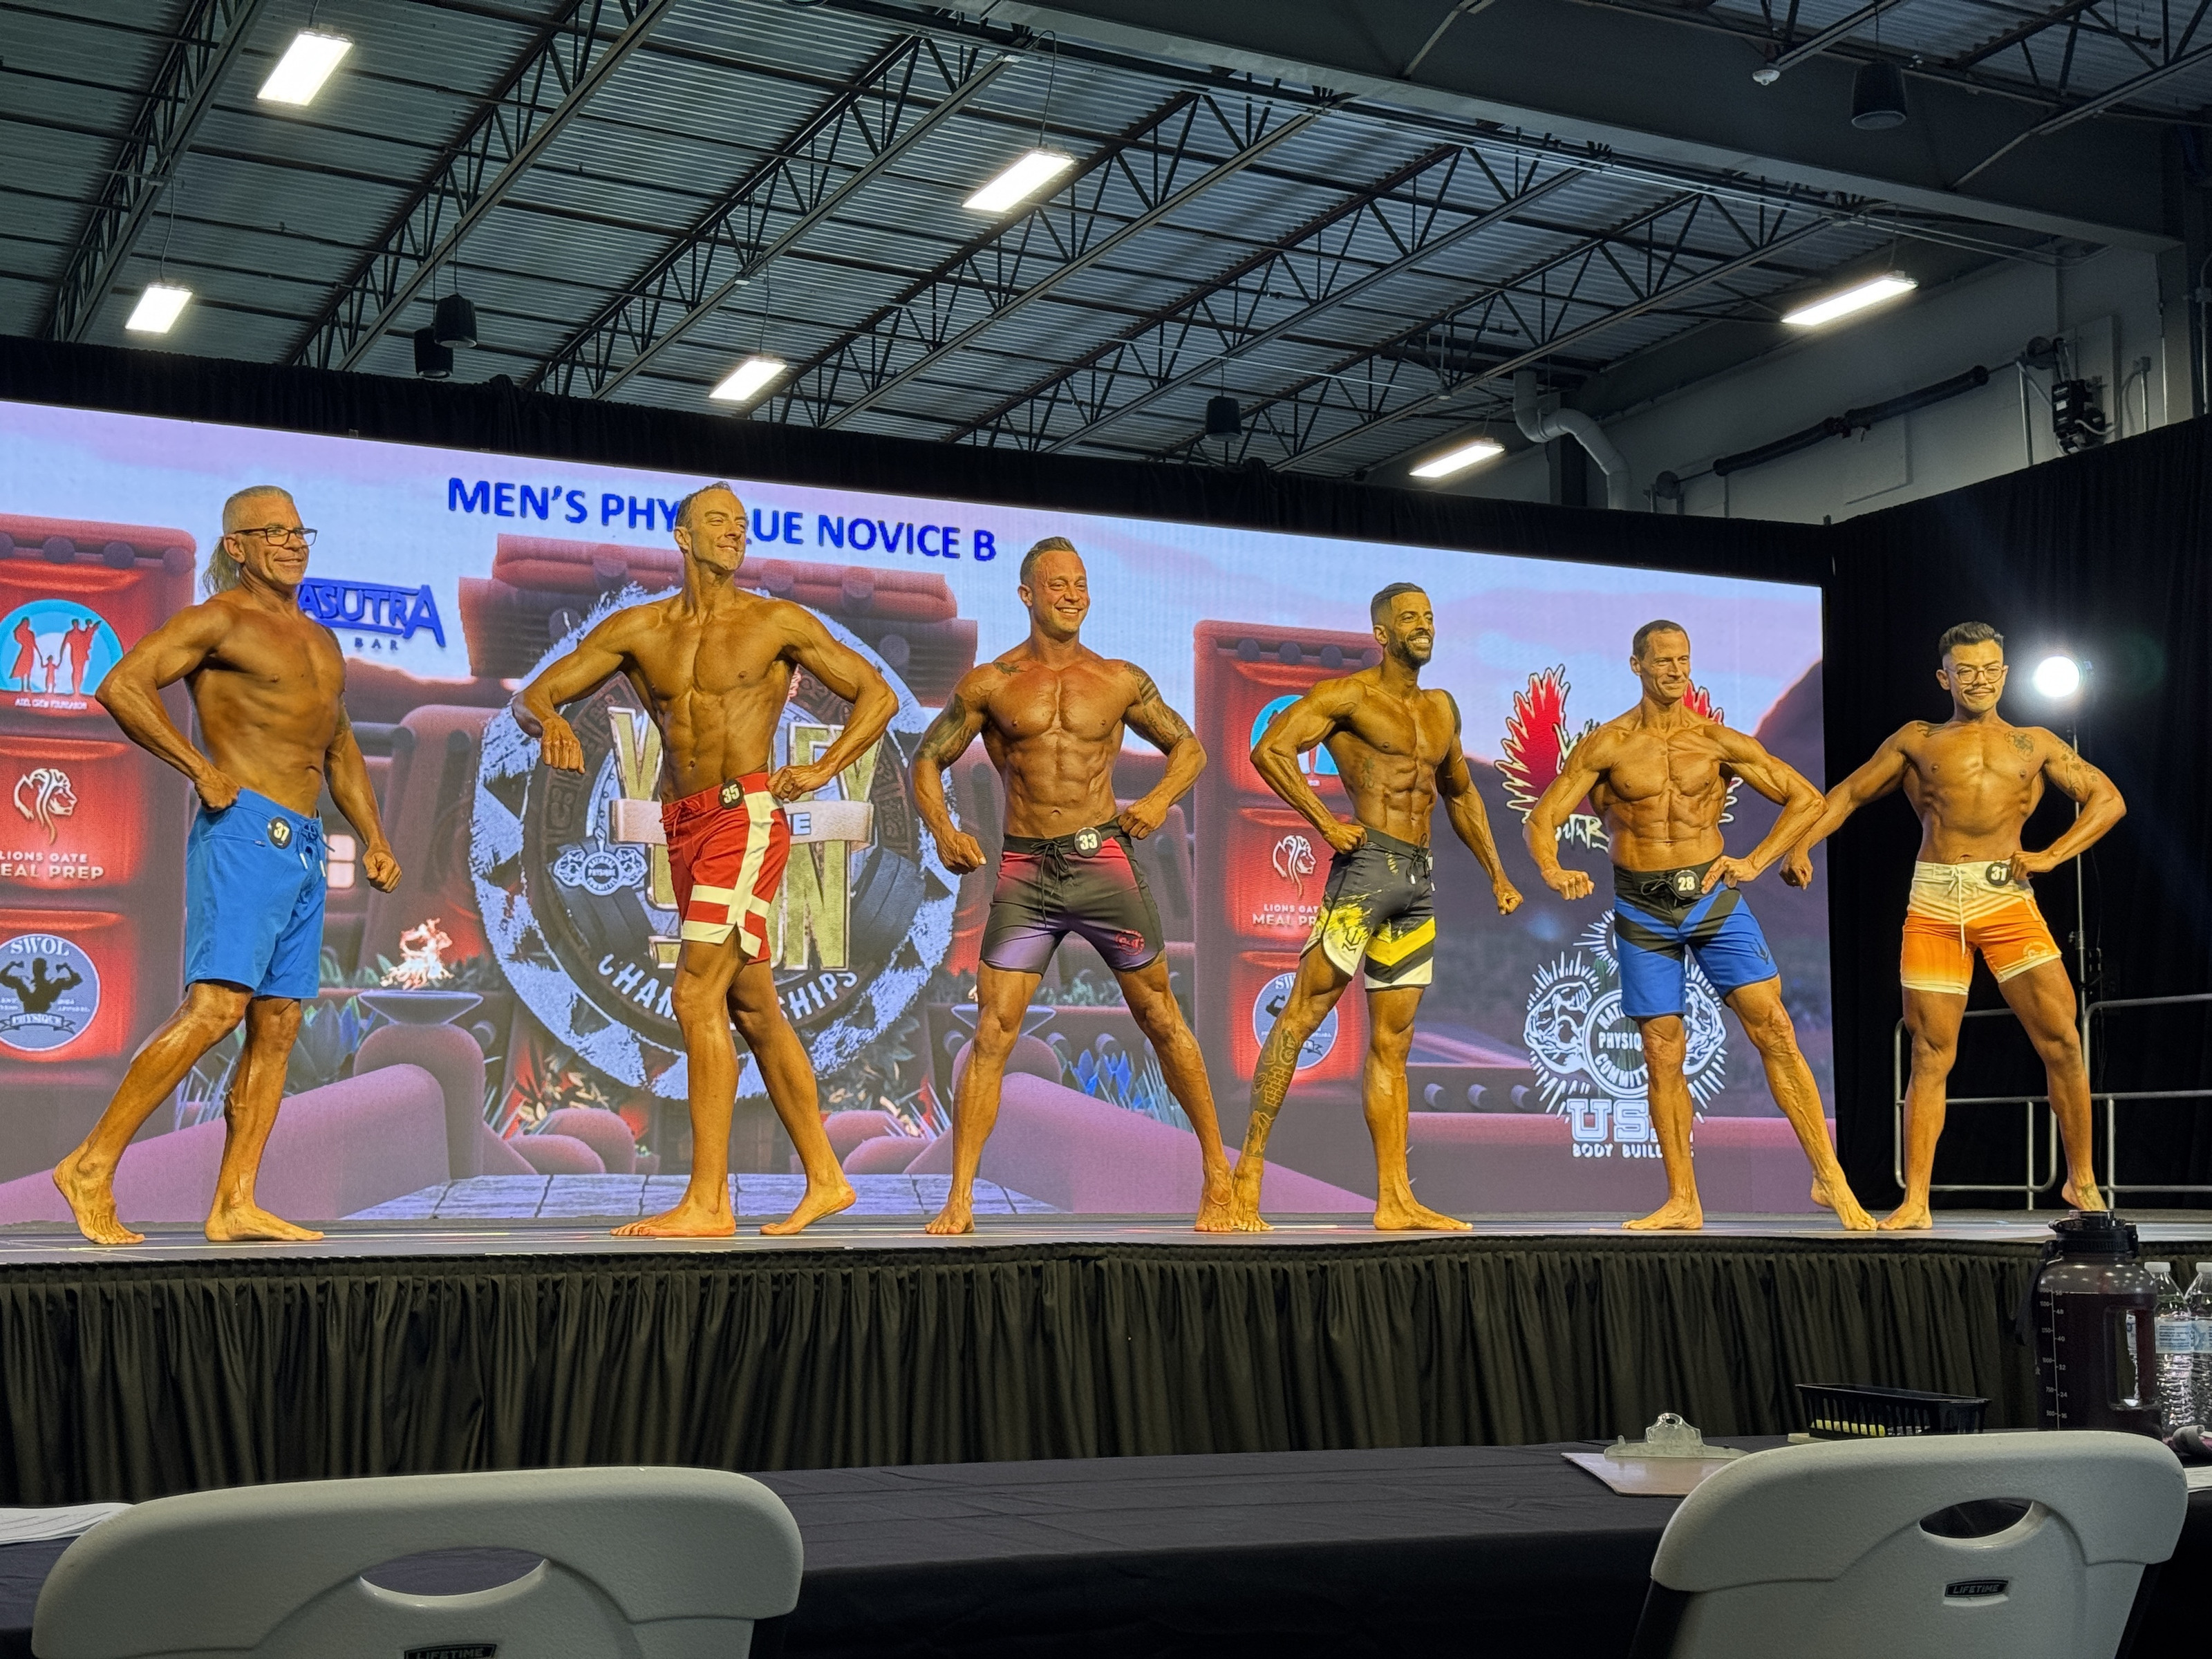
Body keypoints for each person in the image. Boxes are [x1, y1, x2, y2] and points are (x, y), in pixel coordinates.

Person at [518, 482, 897, 1238]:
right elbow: (536, 694)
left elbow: (876, 695)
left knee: (695, 998)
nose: (734, 532)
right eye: (718, 521)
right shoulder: (638, 629)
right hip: (681, 827)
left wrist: (822, 771)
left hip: (743, 815)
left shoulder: (774, 622)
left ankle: (709, 1202)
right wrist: (550, 722)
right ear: (682, 536)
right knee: (753, 1007)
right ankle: (827, 1179)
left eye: (742, 524)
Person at [53, 486, 400, 1245]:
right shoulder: (218, 620)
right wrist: (198, 769)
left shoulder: (321, 641)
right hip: (243, 831)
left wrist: (373, 836)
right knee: (215, 1009)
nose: (292, 543)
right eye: (273, 532)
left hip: (304, 843)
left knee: (278, 1024)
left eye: (299, 531)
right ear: (236, 547)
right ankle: (90, 1164)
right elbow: (121, 685)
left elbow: (339, 747)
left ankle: (235, 1201)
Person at [910, 536, 1234, 1234]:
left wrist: (1156, 803)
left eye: (1080, 584)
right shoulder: (992, 684)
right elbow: (927, 758)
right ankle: (959, 1198)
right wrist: (942, 831)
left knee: (1160, 1016)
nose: (1072, 595)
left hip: (1101, 864)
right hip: (1027, 871)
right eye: (1057, 585)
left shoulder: (1118, 679)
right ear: (1026, 595)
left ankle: (1218, 1177)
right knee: (993, 1032)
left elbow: (1190, 748)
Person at [1525, 620, 1872, 1232]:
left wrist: (1756, 861)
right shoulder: (1608, 745)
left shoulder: (1715, 742)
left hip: (1712, 901)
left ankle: (1830, 1177)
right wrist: (1553, 870)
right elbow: (1543, 818)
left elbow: (1807, 799)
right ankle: (1683, 1199)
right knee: (1662, 1053)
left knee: (1776, 1029)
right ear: (1637, 665)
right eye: (1663, 661)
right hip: (1642, 909)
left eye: (1683, 660)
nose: (1676, 671)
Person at [1783, 621, 2122, 1228]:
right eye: (1966, 671)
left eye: (1990, 670)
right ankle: (1916, 1201)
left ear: (2005, 674)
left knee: (2063, 1041)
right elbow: (1850, 794)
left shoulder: (2035, 744)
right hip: (1936, 903)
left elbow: (2109, 799)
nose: (1979, 680)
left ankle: (2082, 1181)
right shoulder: (1918, 740)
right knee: (1930, 1052)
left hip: (2006, 898)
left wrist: (2051, 855)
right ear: (1945, 678)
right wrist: (1802, 844)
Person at [1229, 583, 1523, 1232]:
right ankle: (1245, 1176)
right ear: (1383, 634)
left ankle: (1395, 1199)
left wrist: (1498, 875)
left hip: (1417, 883)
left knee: (1394, 1042)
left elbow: (1461, 795)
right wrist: (1324, 824)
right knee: (1302, 1014)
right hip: (1364, 873)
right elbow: (1269, 749)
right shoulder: (1349, 697)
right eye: (1409, 618)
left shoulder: (1441, 709)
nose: (1423, 626)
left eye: (1429, 616)